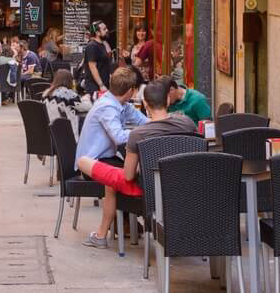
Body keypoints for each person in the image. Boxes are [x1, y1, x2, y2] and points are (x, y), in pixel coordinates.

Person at [77, 77, 197, 249]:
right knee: (111, 178)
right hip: (181, 184)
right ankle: (114, 229)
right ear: (168, 100)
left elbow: (128, 175)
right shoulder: (187, 124)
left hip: (146, 188)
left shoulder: (138, 134)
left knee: (85, 163)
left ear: (145, 105)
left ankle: (101, 235)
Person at [74, 68, 148, 167]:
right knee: (134, 173)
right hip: (91, 163)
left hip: (103, 158)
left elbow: (142, 120)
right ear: (131, 91)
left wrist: (157, 124)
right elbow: (119, 137)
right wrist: (142, 131)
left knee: (135, 170)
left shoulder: (121, 104)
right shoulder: (107, 107)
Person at [82, 21, 113, 94]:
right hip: (95, 88)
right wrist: (101, 85)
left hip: (103, 86)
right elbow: (92, 67)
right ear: (97, 33)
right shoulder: (92, 46)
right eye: (104, 29)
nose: (107, 30)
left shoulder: (102, 45)